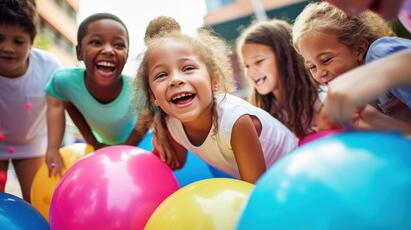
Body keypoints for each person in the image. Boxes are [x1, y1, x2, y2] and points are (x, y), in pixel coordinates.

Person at [133, 29, 298, 184]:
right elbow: (176, 162)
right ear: (153, 95)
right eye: (162, 75)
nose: (176, 79)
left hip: (292, 169)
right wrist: (161, 137)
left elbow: (255, 190)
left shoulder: (235, 122)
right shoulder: (171, 124)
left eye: (188, 68)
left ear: (215, 81)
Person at [292, 1, 411, 140]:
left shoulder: (381, 55)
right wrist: (377, 122)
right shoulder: (362, 90)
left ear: (359, 49)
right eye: (312, 67)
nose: (321, 73)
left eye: (326, 60)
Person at [45, 13, 148, 177]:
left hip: (141, 144)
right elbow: (60, 103)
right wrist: (53, 148)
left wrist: (123, 149)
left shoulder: (138, 88)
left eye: (119, 45)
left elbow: (148, 116)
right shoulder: (65, 81)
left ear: (127, 56)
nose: (108, 50)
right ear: (79, 52)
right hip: (100, 143)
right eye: (96, 42)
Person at [235, 19, 343, 142]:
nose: (250, 72)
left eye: (259, 61)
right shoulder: (264, 110)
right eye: (246, 66)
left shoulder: (319, 99)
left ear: (284, 57)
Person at [0, 0, 61, 202]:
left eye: (18, 41)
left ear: (31, 43)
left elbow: (57, 107)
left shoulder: (48, 66)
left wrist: (53, 148)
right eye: (0, 39)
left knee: (37, 200)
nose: (8, 48)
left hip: (31, 144)